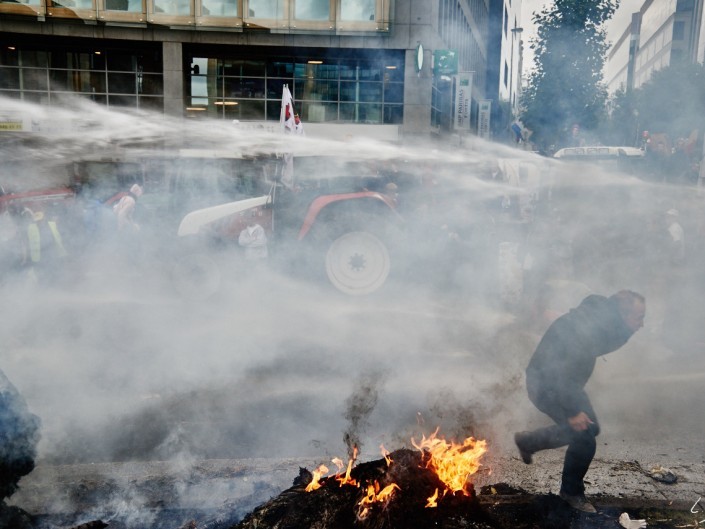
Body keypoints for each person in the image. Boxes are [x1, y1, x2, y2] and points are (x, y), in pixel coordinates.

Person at [514, 290, 646, 513]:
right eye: (638, 317)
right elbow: (562, 371)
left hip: (563, 384)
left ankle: (529, 442)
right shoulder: (589, 329)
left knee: (589, 429)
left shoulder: (602, 322)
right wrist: (574, 411)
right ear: (622, 314)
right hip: (547, 385)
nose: (642, 324)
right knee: (585, 436)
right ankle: (571, 493)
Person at [21, 207, 67, 285]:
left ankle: (55, 286)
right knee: (41, 274)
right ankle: (44, 288)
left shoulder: (52, 224)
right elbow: (26, 242)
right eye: (37, 221)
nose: (39, 222)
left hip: (52, 252)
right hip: (39, 255)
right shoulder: (30, 228)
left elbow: (60, 236)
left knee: (54, 271)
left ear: (44, 218)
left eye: (40, 220)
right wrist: (26, 257)